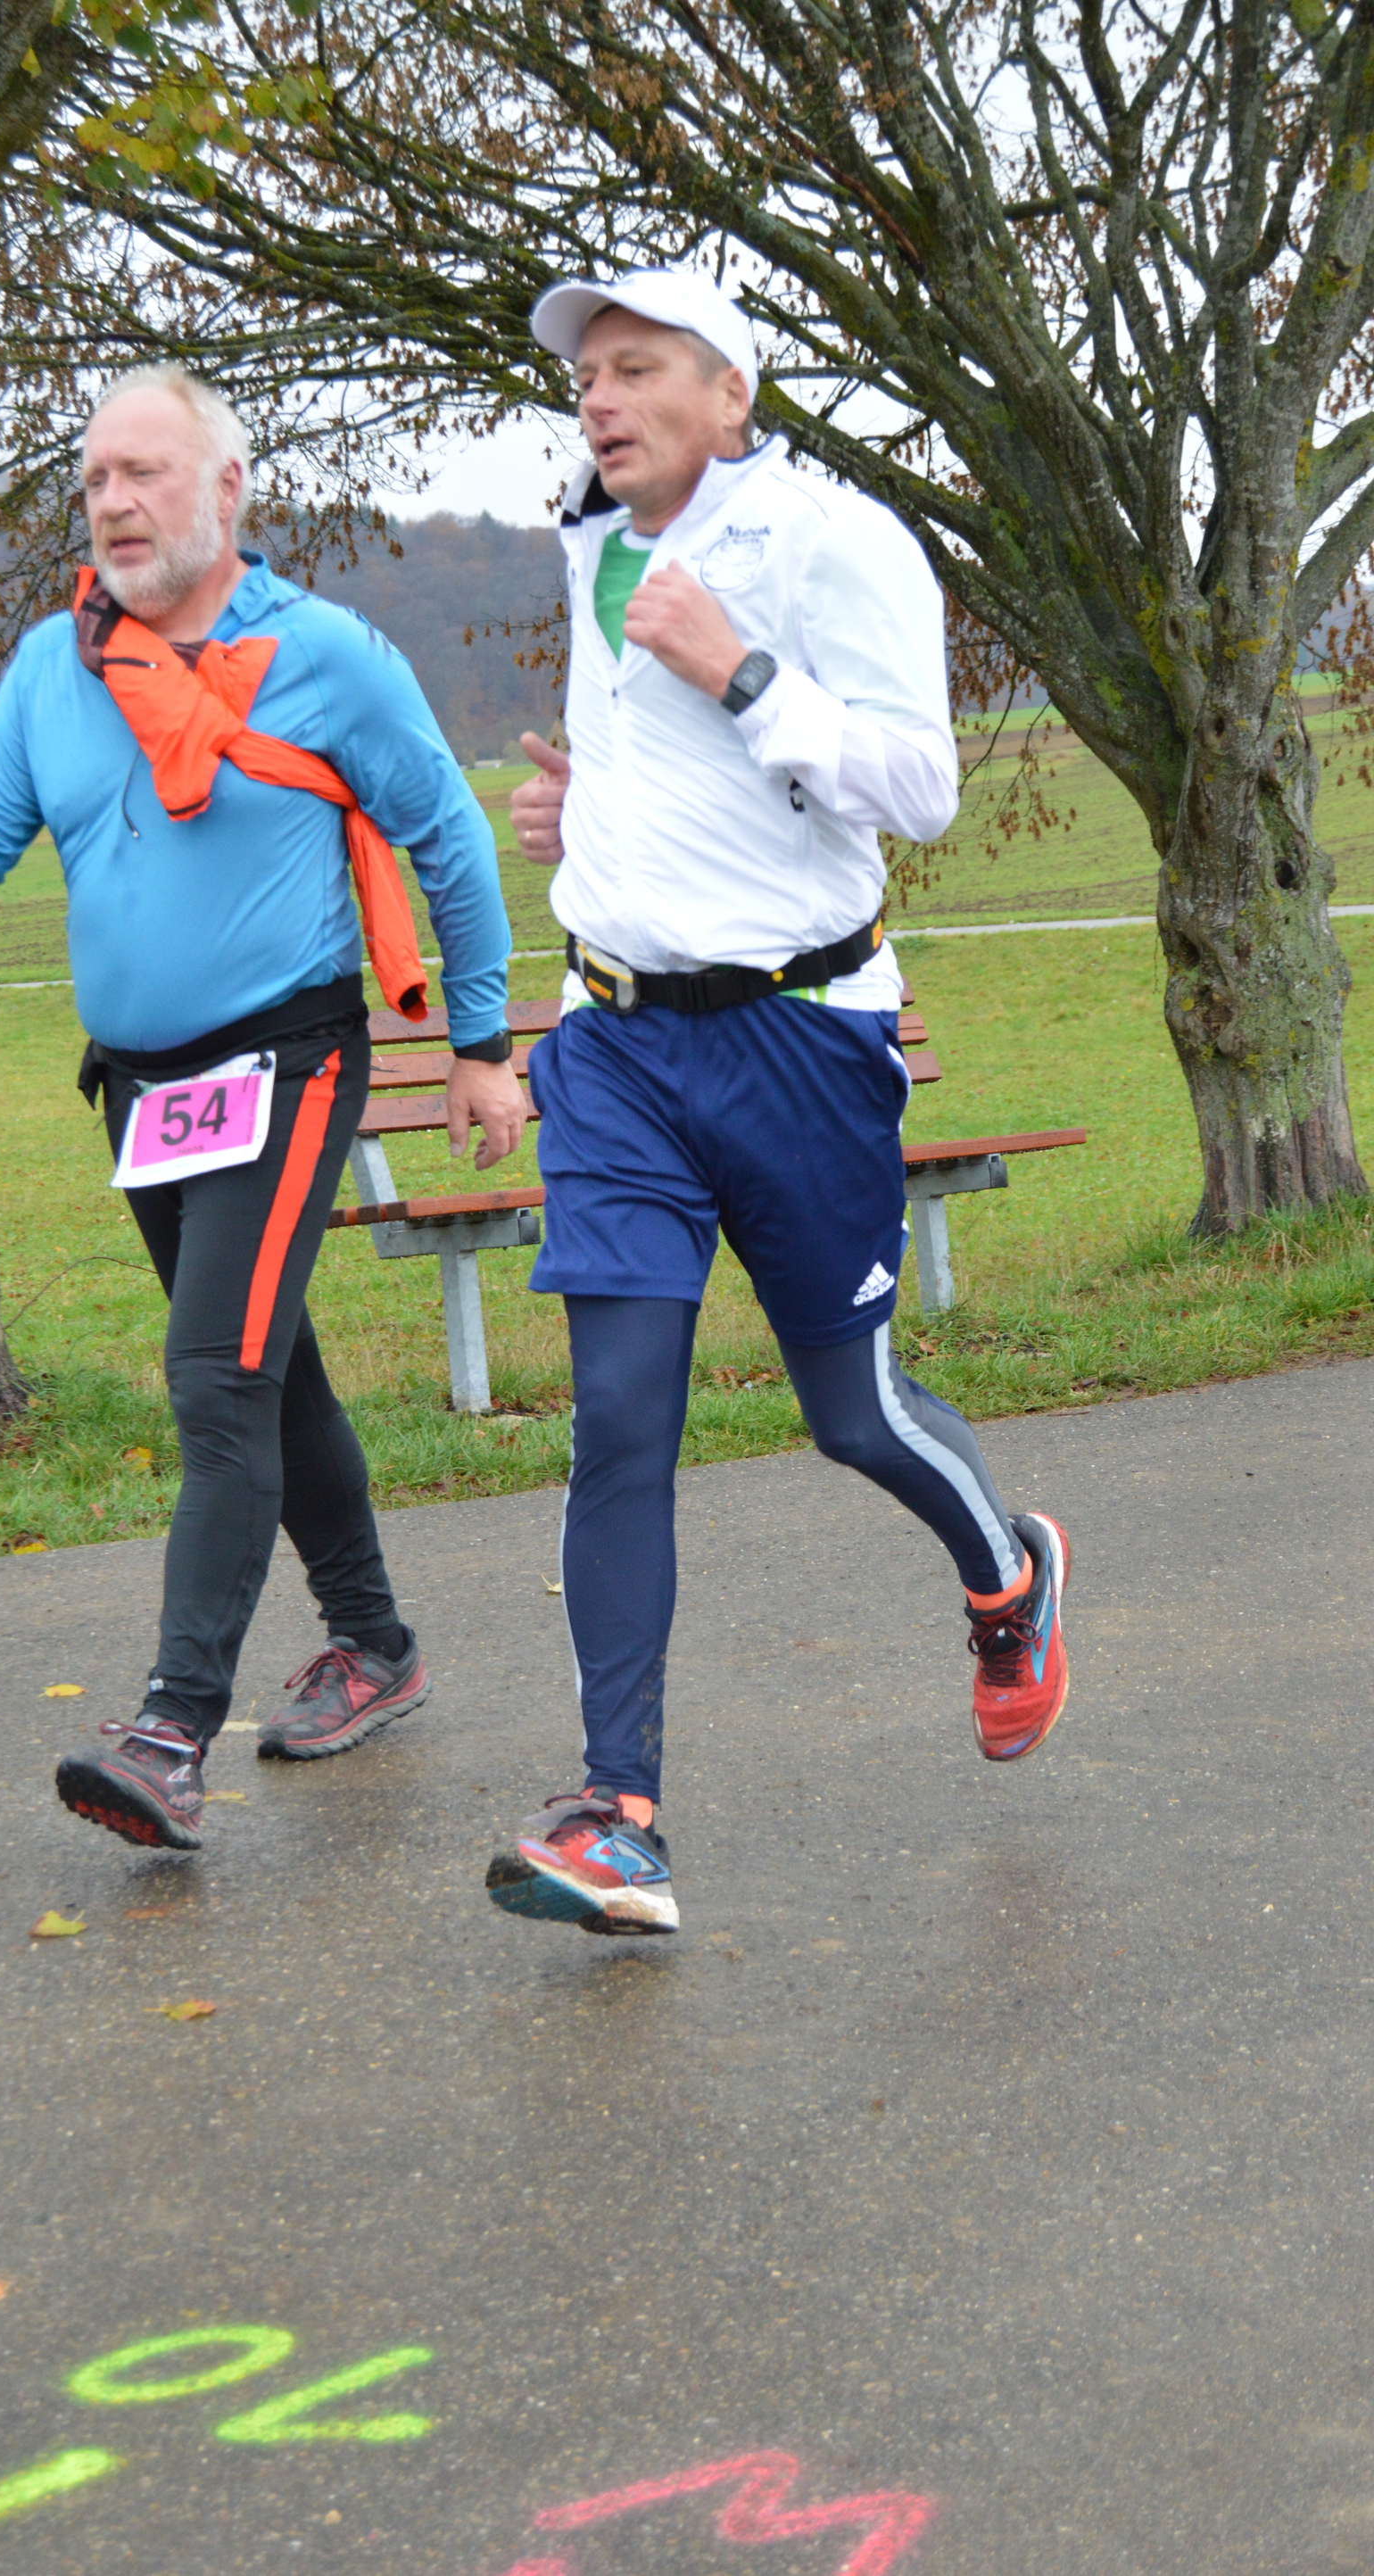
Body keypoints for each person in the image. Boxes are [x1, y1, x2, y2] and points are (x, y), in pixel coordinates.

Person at [0, 363, 526, 1853]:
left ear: (226, 489)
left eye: (143, 472)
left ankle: (171, 1732)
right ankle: (375, 1644)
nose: (112, 501)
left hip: (289, 1060)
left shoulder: (325, 657)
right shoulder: (57, 665)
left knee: (215, 1379)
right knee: (271, 1371)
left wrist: (480, 1044)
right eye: (94, 479)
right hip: (144, 1091)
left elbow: (450, 839)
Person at [483, 269, 1071, 1938]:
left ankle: (1010, 1572)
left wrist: (742, 671)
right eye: (587, 375)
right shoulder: (590, 544)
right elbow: (680, 779)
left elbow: (920, 788)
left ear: (731, 395)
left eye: (636, 367)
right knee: (620, 1416)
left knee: (849, 1415)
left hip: (800, 1041)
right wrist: (589, 821)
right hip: (616, 1049)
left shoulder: (834, 543)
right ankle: (618, 1816)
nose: (600, 398)